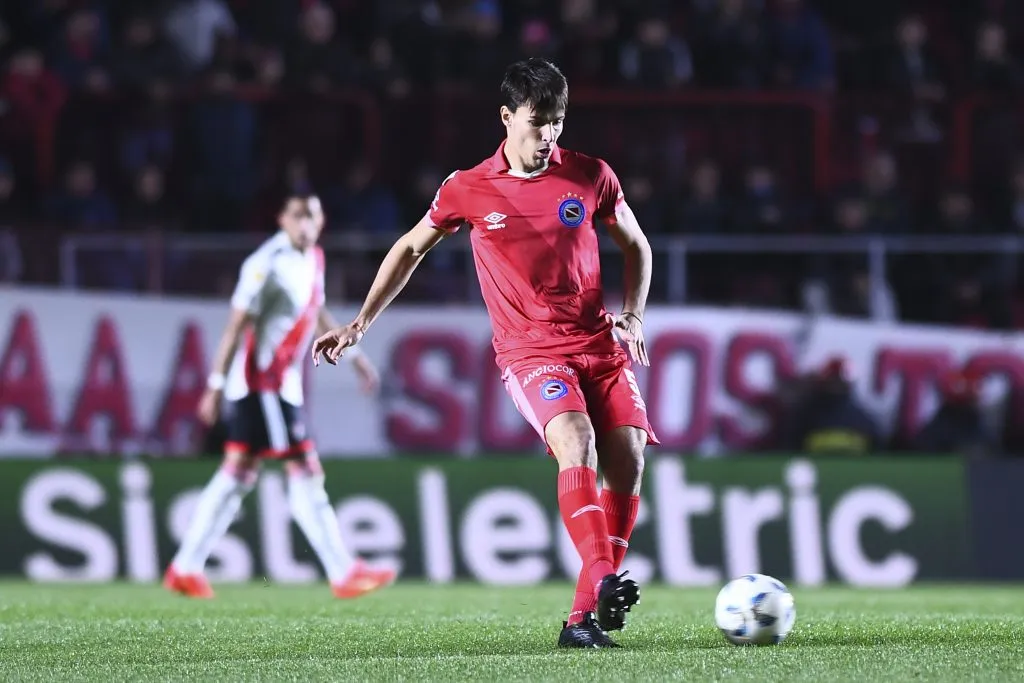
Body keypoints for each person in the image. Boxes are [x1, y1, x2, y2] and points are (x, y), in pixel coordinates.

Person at [312, 58, 658, 648]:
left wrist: (634, 314)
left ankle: (581, 620)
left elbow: (637, 246)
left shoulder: (591, 175)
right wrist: (360, 323)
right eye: (538, 121)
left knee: (627, 456)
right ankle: (604, 578)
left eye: (558, 122)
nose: (549, 135)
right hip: (531, 352)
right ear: (506, 117)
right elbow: (410, 248)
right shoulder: (467, 188)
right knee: (575, 439)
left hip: (598, 343)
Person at [164, 193, 394, 599]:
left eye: (312, 217)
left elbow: (316, 311)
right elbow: (236, 326)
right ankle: (342, 572)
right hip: (260, 383)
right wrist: (215, 386)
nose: (306, 224)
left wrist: (355, 357)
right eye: (298, 216)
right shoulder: (264, 264)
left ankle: (185, 567)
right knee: (304, 469)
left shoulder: (315, 259)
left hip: (282, 385)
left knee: (238, 473)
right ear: (282, 220)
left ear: (321, 222)